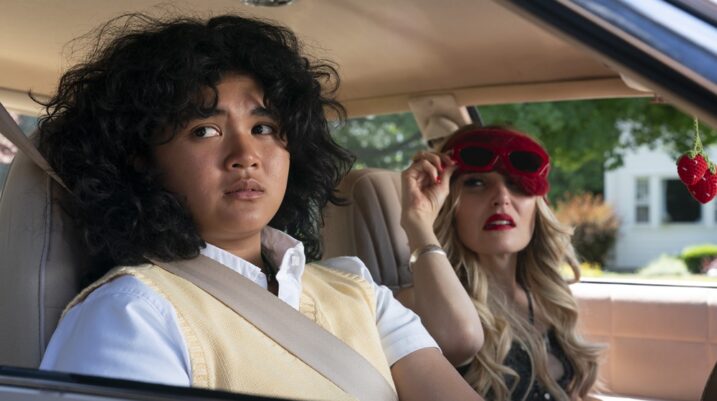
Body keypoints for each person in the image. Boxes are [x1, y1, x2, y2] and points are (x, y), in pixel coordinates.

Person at [36, 14, 482, 401]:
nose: (245, 155)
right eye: (204, 131)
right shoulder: (132, 313)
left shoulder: (358, 293)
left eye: (264, 127)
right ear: (141, 159)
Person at [398, 124, 601, 400]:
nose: (502, 198)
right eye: (476, 183)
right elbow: (457, 340)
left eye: (516, 184)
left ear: (537, 206)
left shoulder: (547, 297)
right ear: (448, 204)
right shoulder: (417, 304)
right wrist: (417, 221)